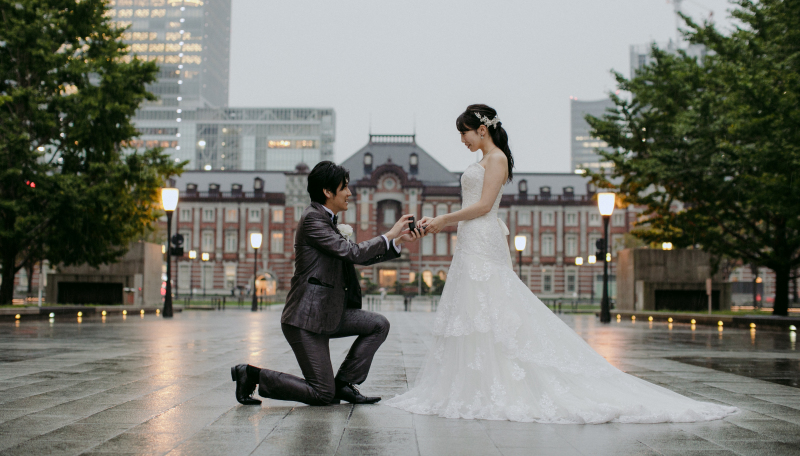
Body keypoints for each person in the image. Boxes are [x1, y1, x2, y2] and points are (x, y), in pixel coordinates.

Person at [384, 104, 738, 423]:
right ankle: (474, 383)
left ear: (482, 129)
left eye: (463, 131)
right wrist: (438, 224)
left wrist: (443, 220)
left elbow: (484, 206)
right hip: (471, 239)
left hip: (482, 235)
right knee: (473, 309)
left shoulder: (497, 160)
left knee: (493, 304)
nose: (461, 138)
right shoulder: (482, 161)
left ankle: (497, 383)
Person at [231, 161, 422, 406]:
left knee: (378, 324)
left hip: (329, 312)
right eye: (344, 188)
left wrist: (398, 242)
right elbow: (352, 253)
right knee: (322, 394)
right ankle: (252, 375)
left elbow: (354, 256)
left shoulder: (328, 221)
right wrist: (389, 234)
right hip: (305, 320)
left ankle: (344, 384)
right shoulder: (313, 220)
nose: (349, 193)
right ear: (327, 192)